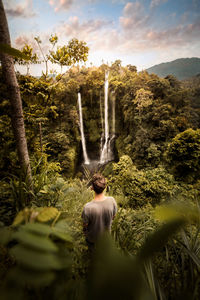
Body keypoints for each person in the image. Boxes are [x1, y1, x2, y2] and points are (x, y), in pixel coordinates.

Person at [81, 173, 117, 250]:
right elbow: (113, 216)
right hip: (106, 240)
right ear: (105, 187)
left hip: (92, 241)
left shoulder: (87, 207)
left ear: (92, 188)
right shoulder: (112, 200)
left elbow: (85, 225)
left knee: (92, 259)